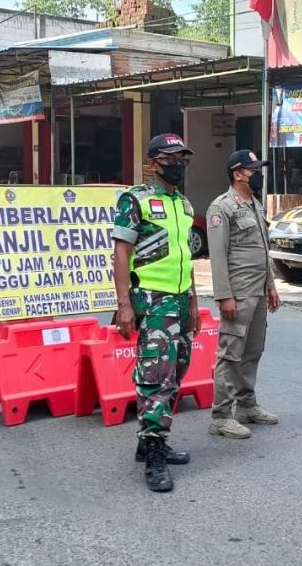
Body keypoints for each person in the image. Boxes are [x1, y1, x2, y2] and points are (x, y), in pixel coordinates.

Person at [111, 133, 199, 493]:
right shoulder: (135, 199)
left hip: (179, 300)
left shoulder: (184, 204)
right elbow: (120, 254)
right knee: (156, 376)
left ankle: (151, 441)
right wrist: (124, 306)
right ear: (153, 162)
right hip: (153, 299)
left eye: (182, 158)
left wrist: (193, 302)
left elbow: (185, 258)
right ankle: (153, 455)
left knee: (177, 373)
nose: (178, 163)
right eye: (171, 157)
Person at [207, 149, 282, 439]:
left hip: (259, 291)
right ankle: (221, 415)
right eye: (253, 169)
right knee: (230, 354)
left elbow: (263, 249)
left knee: (252, 351)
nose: (258, 174)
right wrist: (224, 296)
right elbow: (217, 256)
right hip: (238, 294)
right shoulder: (221, 207)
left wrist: (271, 286)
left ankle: (246, 405)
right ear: (238, 173)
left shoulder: (255, 204)